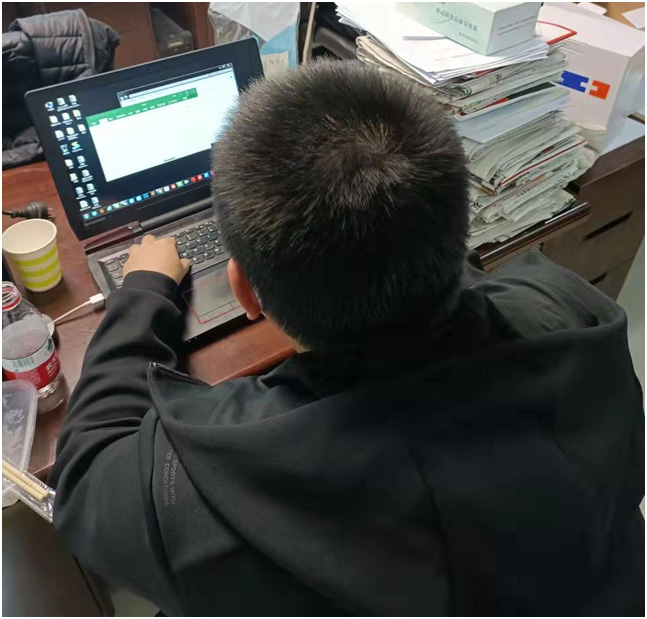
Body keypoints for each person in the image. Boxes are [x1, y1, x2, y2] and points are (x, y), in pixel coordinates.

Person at [50, 60, 644, 616]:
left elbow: (87, 476)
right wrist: (404, 236)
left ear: (246, 292)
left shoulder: (206, 496)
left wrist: (143, 292)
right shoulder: (572, 315)